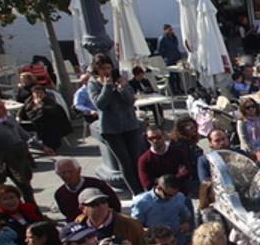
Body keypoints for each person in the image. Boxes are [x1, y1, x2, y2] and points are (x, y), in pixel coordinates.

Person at [88, 54, 146, 194]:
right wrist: (107, 87)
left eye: (108, 68)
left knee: (135, 159)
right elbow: (100, 104)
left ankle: (143, 186)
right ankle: (136, 192)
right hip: (111, 129)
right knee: (125, 162)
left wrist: (123, 88)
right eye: (103, 69)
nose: (106, 71)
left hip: (130, 125)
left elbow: (130, 101)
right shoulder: (93, 84)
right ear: (97, 70)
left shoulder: (119, 79)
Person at [0, 95, 49, 203]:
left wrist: (41, 147)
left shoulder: (9, 119)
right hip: (5, 161)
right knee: (3, 190)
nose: (4, 108)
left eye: (3, 105)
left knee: (26, 187)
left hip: (19, 157)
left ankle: (32, 210)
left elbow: (24, 135)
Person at [74, 188, 145, 245]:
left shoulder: (130, 225)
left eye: (103, 201)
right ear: (82, 208)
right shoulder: (78, 225)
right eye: (94, 204)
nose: (101, 206)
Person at [53, 158, 120, 223]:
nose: (67, 175)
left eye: (70, 171)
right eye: (63, 173)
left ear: (79, 170)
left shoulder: (98, 185)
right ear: (58, 174)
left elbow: (115, 206)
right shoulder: (60, 194)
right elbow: (69, 216)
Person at [131, 175, 193, 241]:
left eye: (174, 195)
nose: (171, 198)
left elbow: (185, 216)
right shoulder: (142, 201)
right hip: (155, 243)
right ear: (159, 188)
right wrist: (154, 232)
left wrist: (186, 224)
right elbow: (136, 226)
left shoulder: (179, 197)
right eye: (168, 195)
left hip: (177, 240)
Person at [136, 124, 191, 192]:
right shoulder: (144, 159)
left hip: (179, 192)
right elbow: (147, 184)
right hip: (157, 195)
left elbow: (185, 174)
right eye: (151, 138)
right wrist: (174, 178)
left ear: (164, 136)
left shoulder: (177, 153)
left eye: (158, 137)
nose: (155, 141)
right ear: (147, 139)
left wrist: (158, 180)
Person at [19, 83, 72, 151]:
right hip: (31, 120)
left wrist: (40, 105)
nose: (38, 94)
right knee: (18, 126)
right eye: (36, 93)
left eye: (40, 92)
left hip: (44, 122)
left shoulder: (49, 100)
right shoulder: (29, 100)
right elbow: (23, 109)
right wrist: (18, 116)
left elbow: (51, 110)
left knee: (48, 126)